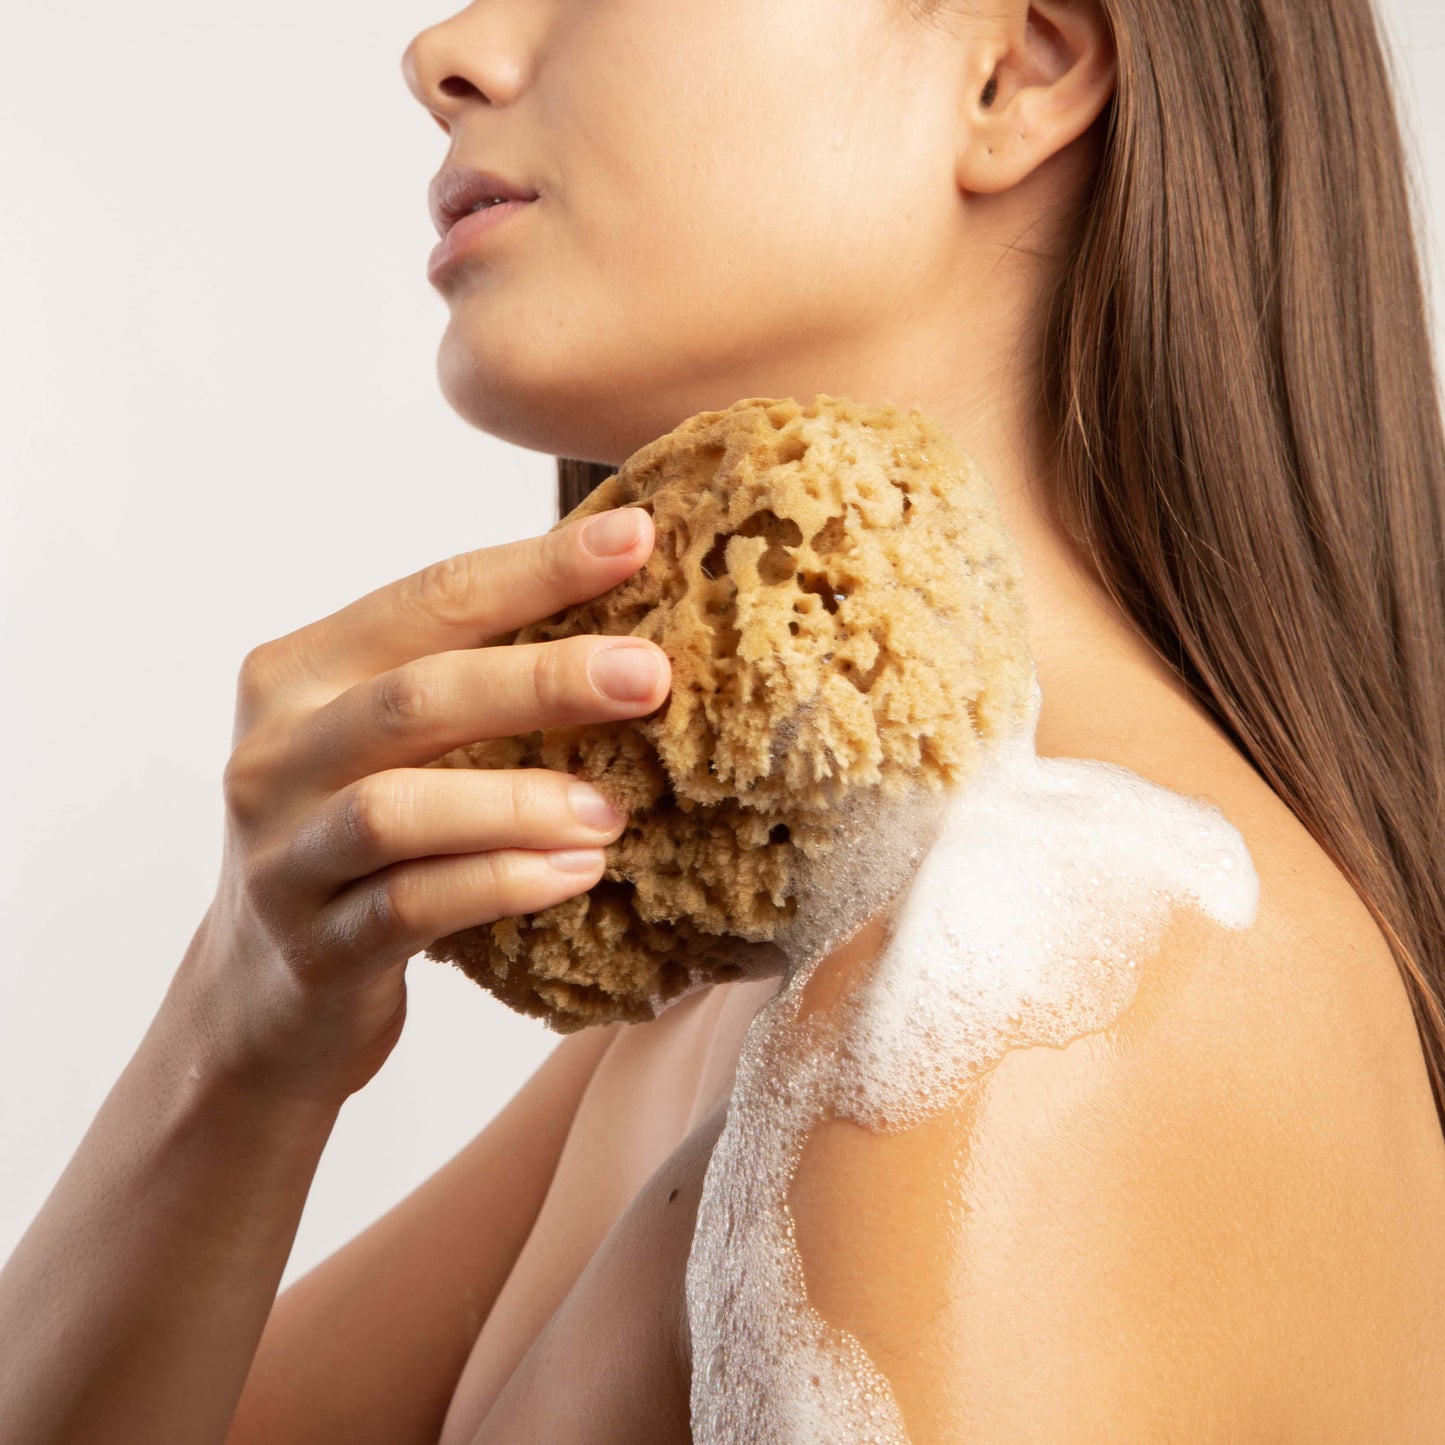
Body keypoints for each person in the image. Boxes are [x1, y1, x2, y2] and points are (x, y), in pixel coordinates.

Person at [3, 0, 1445, 1438]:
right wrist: (244, 1024)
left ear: (1018, 64)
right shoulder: (749, 1001)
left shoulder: (1044, 996)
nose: (445, 55)